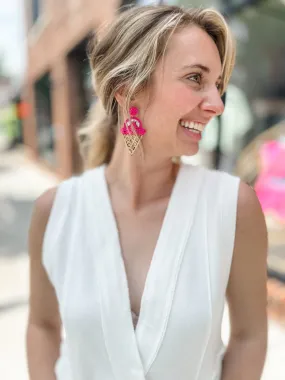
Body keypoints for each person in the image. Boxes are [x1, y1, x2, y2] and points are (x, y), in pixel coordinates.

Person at [26, 5, 268, 380]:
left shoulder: (232, 207)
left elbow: (249, 336)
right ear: (129, 91)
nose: (217, 104)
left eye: (218, 85)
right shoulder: (55, 212)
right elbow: (42, 325)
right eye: (194, 78)